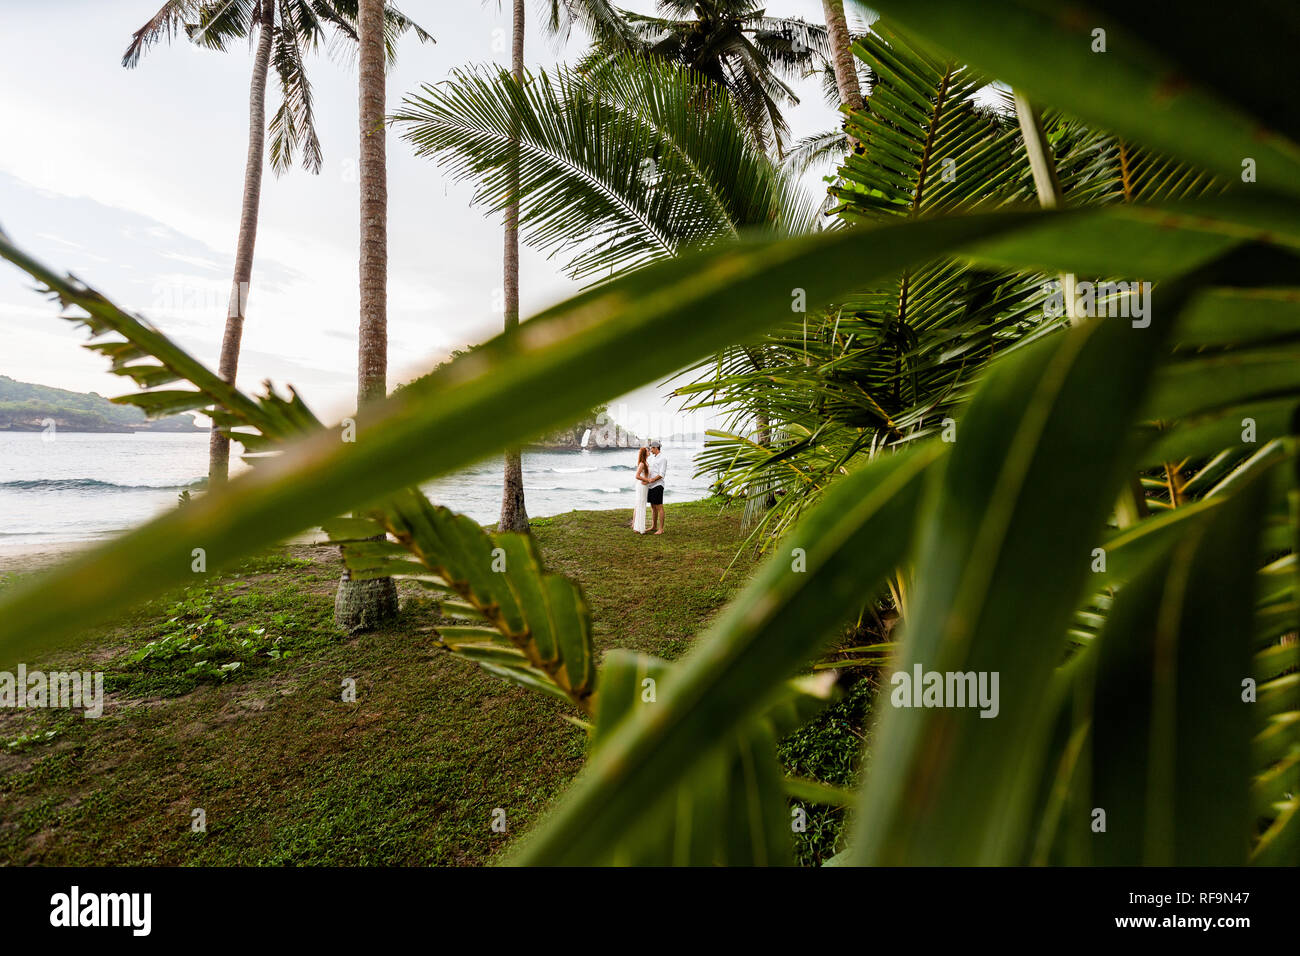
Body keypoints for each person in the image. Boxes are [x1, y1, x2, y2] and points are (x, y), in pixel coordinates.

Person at [645, 440, 667, 535]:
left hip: (658, 485)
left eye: (651, 448)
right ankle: (654, 526)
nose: (650, 450)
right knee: (653, 506)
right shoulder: (654, 458)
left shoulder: (663, 458)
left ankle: (661, 529)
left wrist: (653, 480)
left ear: (655, 448)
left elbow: (662, 474)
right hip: (651, 485)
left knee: (659, 507)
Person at [632, 446, 650, 533]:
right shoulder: (642, 463)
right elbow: (637, 476)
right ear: (644, 453)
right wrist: (647, 480)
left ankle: (637, 527)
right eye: (647, 451)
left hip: (645, 486)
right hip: (641, 486)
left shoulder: (646, 463)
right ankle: (638, 528)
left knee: (641, 505)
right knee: (640, 504)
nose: (649, 451)